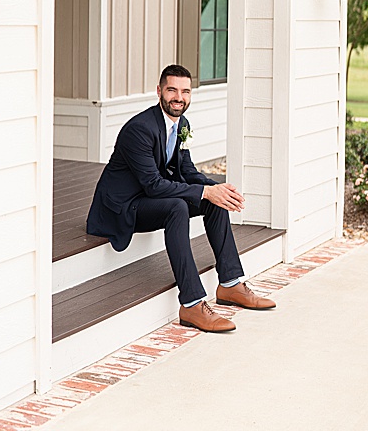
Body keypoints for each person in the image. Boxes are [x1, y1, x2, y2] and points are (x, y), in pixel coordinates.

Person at [86, 64, 275, 332]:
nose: (179, 97)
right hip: (122, 208)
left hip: (148, 199)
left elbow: (186, 171)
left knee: (214, 199)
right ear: (159, 91)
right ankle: (192, 304)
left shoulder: (181, 124)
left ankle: (231, 284)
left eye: (185, 91)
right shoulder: (139, 129)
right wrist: (206, 190)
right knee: (177, 206)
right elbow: (153, 185)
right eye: (172, 89)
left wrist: (216, 188)